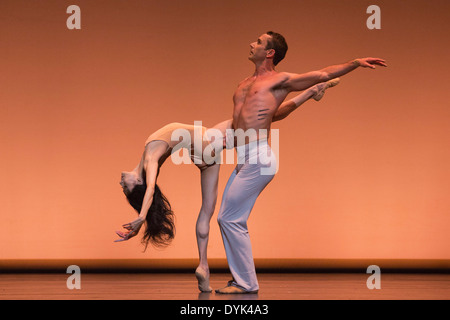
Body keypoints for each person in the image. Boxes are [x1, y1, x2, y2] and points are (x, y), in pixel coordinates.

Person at [114, 80, 340, 293]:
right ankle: (311, 92)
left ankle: (203, 265)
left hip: (205, 154)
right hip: (206, 142)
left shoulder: (148, 159)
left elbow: (150, 191)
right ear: (139, 182)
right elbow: (151, 189)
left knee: (207, 210)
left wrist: (141, 222)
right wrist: (142, 216)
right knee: (258, 117)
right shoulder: (150, 159)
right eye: (126, 188)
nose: (121, 183)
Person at [215, 31, 387, 294]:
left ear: (270, 52)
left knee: (230, 219)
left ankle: (246, 283)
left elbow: (322, 73)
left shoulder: (280, 79)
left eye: (258, 42)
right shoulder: (244, 83)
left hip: (259, 158)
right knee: (227, 218)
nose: (252, 44)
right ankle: (242, 280)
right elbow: (272, 116)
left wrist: (354, 62)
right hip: (243, 156)